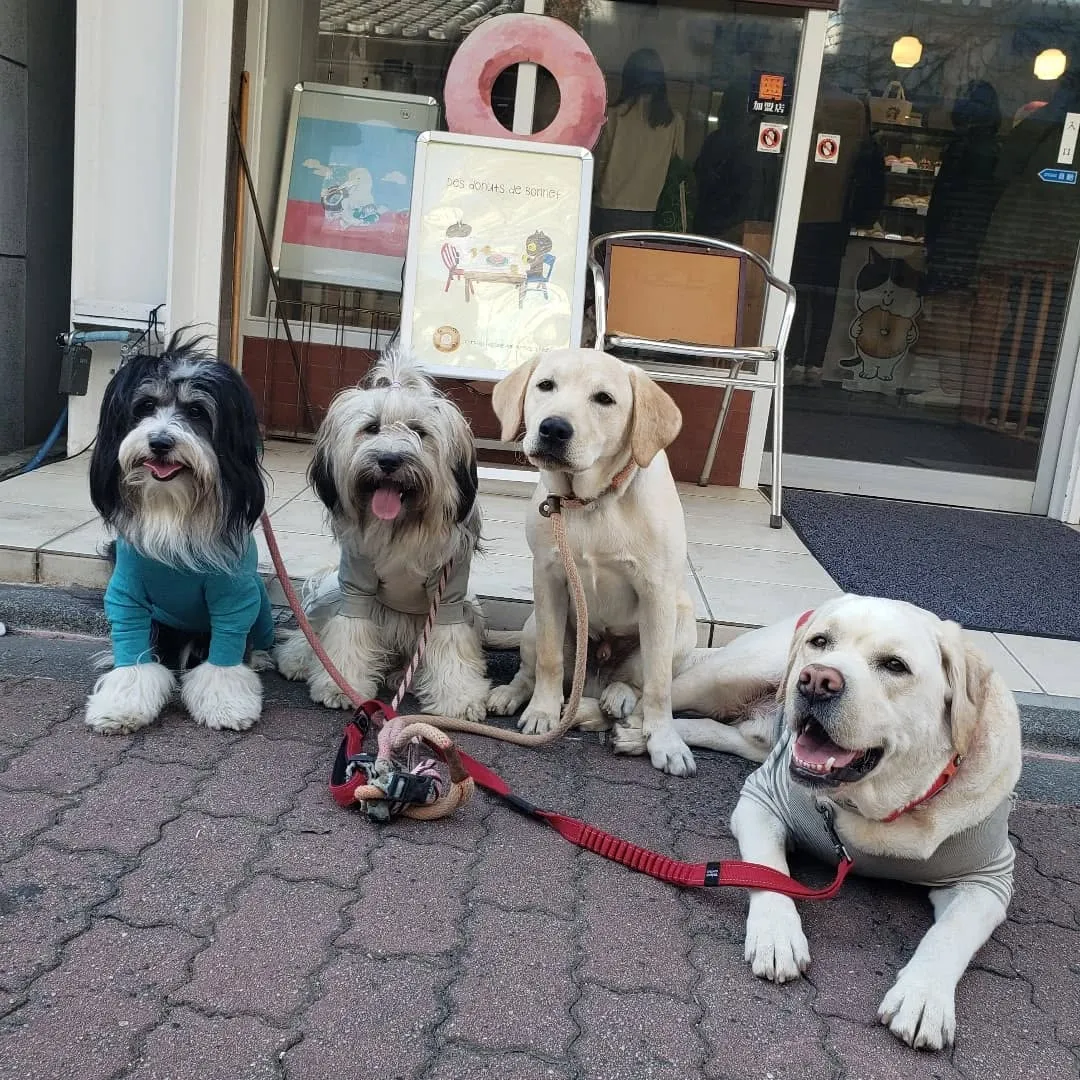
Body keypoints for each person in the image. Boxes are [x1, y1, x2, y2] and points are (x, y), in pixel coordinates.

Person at [592, 48, 685, 235]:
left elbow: (597, 165)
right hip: (651, 211)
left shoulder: (612, 116)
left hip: (608, 209)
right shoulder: (673, 121)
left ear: (628, 77)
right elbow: (677, 167)